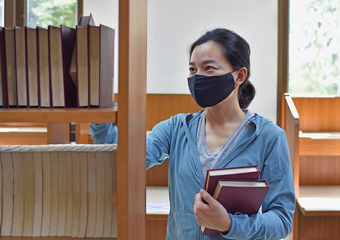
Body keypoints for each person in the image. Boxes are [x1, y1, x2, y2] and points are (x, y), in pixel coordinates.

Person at [90, 28, 295, 240]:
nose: (198, 77)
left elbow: (281, 220)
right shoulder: (176, 128)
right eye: (192, 69)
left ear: (239, 76)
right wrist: (98, 108)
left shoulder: (269, 137)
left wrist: (230, 224)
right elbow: (125, 156)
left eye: (209, 68)